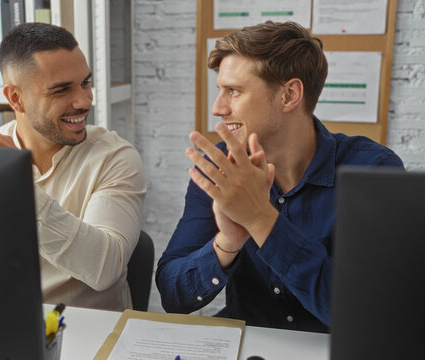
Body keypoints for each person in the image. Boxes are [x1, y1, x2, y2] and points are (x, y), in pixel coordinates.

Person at [156, 21, 403, 332]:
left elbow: (370, 314)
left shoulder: (373, 171)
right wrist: (227, 244)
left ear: (289, 95)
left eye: (233, 91)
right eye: (220, 90)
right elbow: (172, 294)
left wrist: (262, 221)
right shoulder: (221, 167)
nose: (218, 107)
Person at [0, 23, 146, 311]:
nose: (85, 101)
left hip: (89, 338)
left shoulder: (114, 157)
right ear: (16, 98)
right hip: (9, 327)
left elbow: (105, 268)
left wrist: (19, 190)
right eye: (61, 90)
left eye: (85, 83)